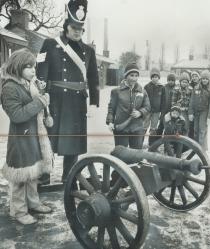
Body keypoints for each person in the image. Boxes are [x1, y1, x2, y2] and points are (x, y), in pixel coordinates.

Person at [36, 0, 99, 184]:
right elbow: (41, 69)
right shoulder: (49, 44)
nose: (77, 31)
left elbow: (94, 79)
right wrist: (41, 93)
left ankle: (69, 176)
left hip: (77, 103)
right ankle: (44, 175)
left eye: (81, 28)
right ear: (66, 26)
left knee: (73, 143)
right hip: (54, 99)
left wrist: (94, 103)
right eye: (74, 27)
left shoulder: (89, 51)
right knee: (48, 139)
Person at [1, 48, 53, 225]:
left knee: (33, 173)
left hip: (34, 136)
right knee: (20, 176)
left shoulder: (27, 83)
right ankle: (19, 211)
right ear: (17, 66)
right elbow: (17, 115)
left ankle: (33, 202)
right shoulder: (9, 87)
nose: (33, 70)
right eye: (29, 67)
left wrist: (41, 97)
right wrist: (39, 102)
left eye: (34, 67)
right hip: (20, 139)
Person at [106, 63, 150, 149]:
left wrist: (140, 113)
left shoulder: (142, 91)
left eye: (136, 76)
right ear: (126, 76)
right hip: (121, 128)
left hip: (137, 128)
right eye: (131, 75)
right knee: (121, 154)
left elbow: (147, 107)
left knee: (136, 155)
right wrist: (110, 122)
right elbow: (111, 108)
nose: (134, 78)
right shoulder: (116, 91)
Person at [188, 70, 210, 151]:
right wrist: (190, 112)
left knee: (202, 130)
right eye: (203, 79)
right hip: (196, 112)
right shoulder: (196, 88)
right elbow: (192, 101)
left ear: (209, 80)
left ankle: (202, 149)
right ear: (201, 79)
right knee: (196, 129)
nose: (204, 80)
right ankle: (195, 147)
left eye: (206, 79)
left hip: (204, 112)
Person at [144, 68, 165, 146]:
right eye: (153, 77)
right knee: (144, 126)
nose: (154, 78)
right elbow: (143, 98)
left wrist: (162, 113)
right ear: (151, 78)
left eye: (156, 77)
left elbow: (163, 101)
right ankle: (139, 142)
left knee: (153, 128)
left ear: (159, 78)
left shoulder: (162, 88)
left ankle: (151, 144)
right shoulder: (147, 87)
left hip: (156, 112)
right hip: (147, 111)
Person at [156, 73, 177, 140]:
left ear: (174, 81)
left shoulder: (176, 88)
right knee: (161, 125)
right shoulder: (164, 88)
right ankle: (156, 140)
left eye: (172, 80)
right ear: (167, 80)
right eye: (169, 80)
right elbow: (160, 98)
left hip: (172, 111)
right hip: (164, 110)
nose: (171, 82)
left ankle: (167, 142)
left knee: (169, 127)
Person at [188, 71, 200, 139]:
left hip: (197, 108)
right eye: (193, 76)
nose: (194, 78)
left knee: (197, 127)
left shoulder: (200, 85)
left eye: (196, 76)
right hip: (190, 107)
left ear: (199, 77)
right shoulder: (190, 85)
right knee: (190, 126)